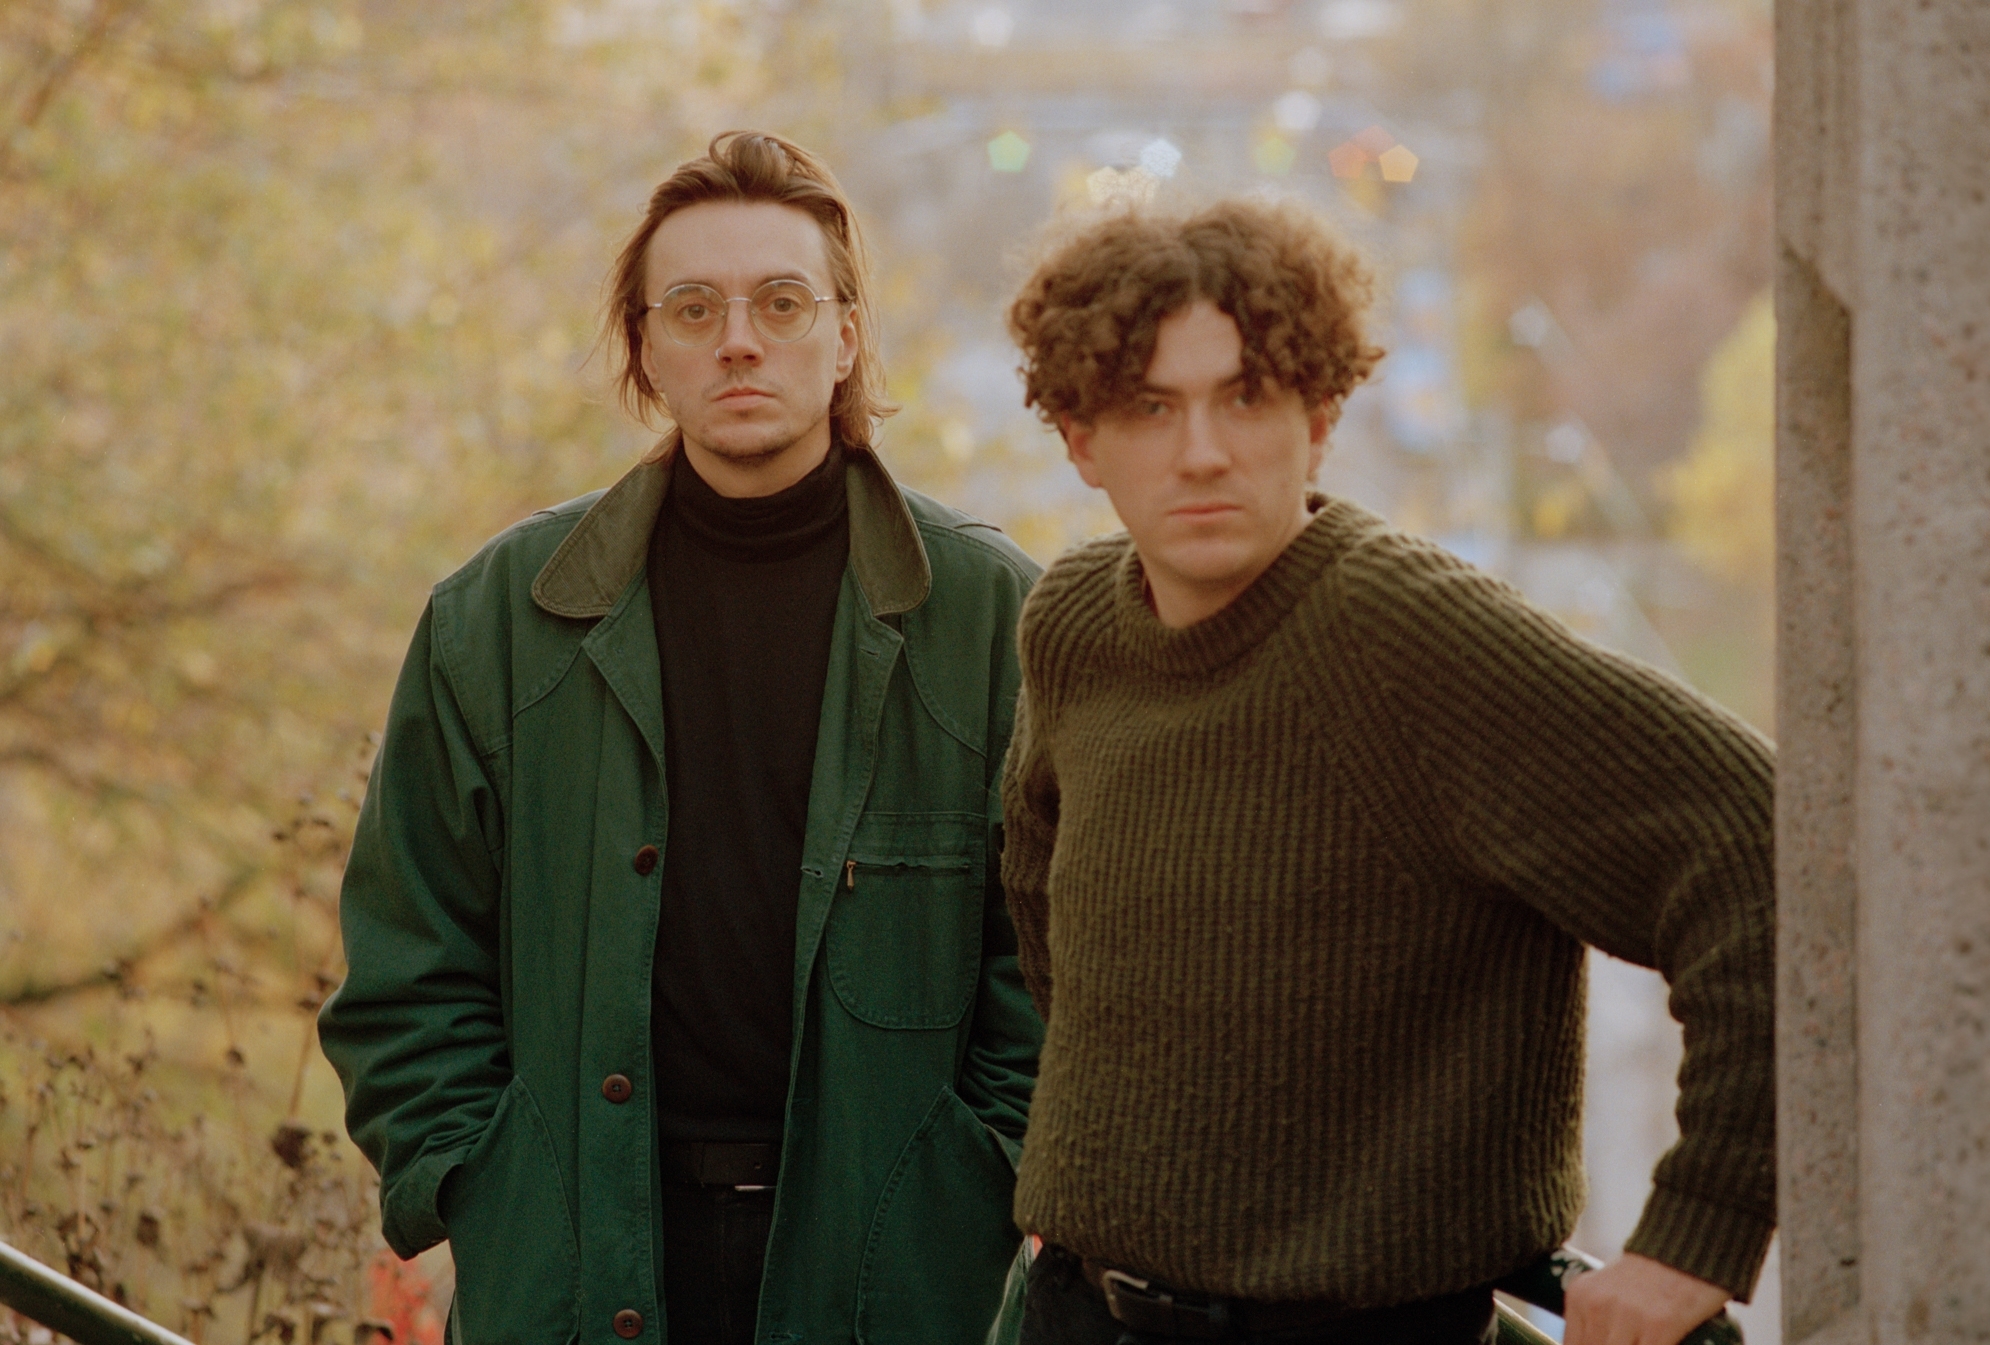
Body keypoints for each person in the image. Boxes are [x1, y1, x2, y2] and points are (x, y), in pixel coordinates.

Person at [996, 197, 1775, 1345]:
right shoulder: (1072, 621)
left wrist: (1695, 1237)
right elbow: (1049, 922)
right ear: (1079, 440)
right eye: (1150, 407)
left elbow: (1763, 845)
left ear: (1318, 420)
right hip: (1075, 1311)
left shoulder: (1401, 635)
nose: (1201, 450)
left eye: (1245, 397)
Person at [319, 131, 1043, 1345]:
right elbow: (408, 952)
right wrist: (483, 1183)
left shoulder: (987, 618)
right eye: (694, 307)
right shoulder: (500, 618)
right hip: (578, 1254)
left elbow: (1056, 963)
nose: (738, 339)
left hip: (895, 1270)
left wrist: (977, 1179)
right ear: (646, 348)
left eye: (781, 302)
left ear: (846, 337)